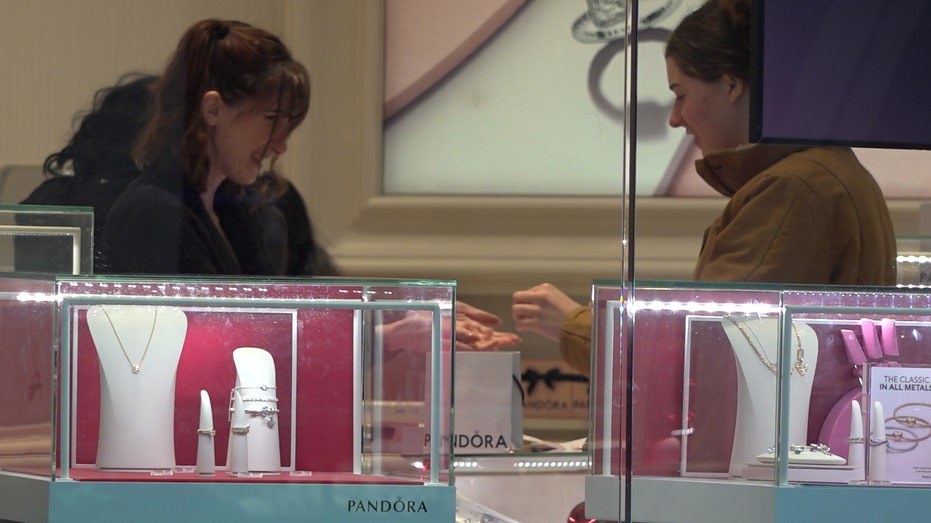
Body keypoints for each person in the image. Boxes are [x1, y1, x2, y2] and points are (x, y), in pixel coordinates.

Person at [512, 0, 896, 375]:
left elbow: (710, 351)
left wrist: (575, 325)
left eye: (680, 95)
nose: (675, 118)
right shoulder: (820, 174)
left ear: (731, 84)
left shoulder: (792, 188)